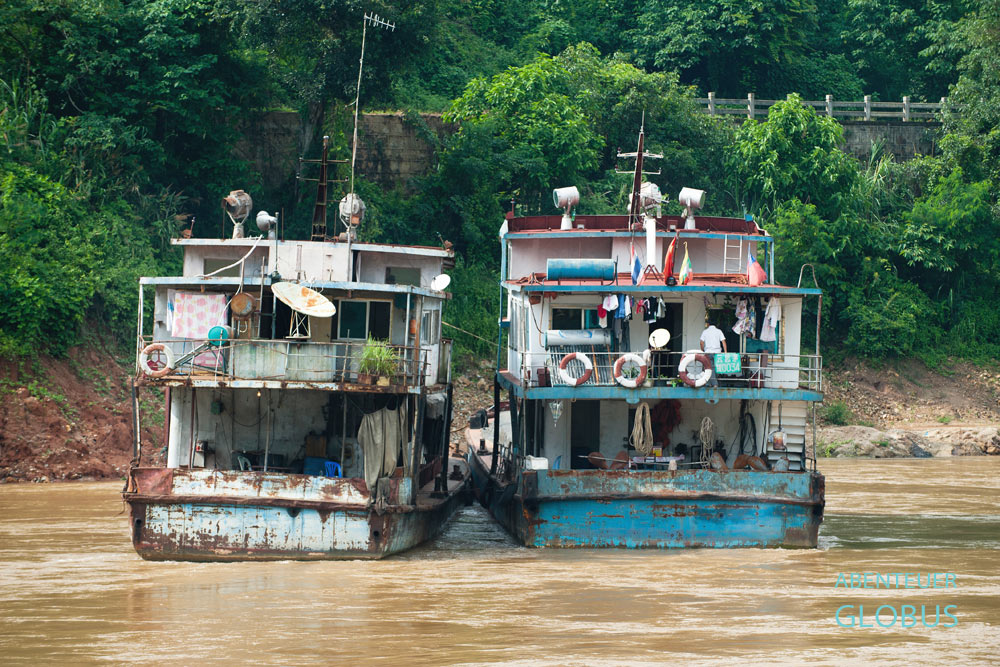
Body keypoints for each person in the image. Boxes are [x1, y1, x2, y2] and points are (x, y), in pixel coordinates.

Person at [699, 319, 727, 387]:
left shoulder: (705, 332)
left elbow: (701, 343)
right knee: (715, 368)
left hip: (708, 352)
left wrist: (703, 350)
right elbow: (723, 342)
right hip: (717, 353)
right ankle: (710, 383)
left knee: (709, 368)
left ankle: (714, 384)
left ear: (708, 324)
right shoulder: (719, 331)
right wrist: (725, 352)